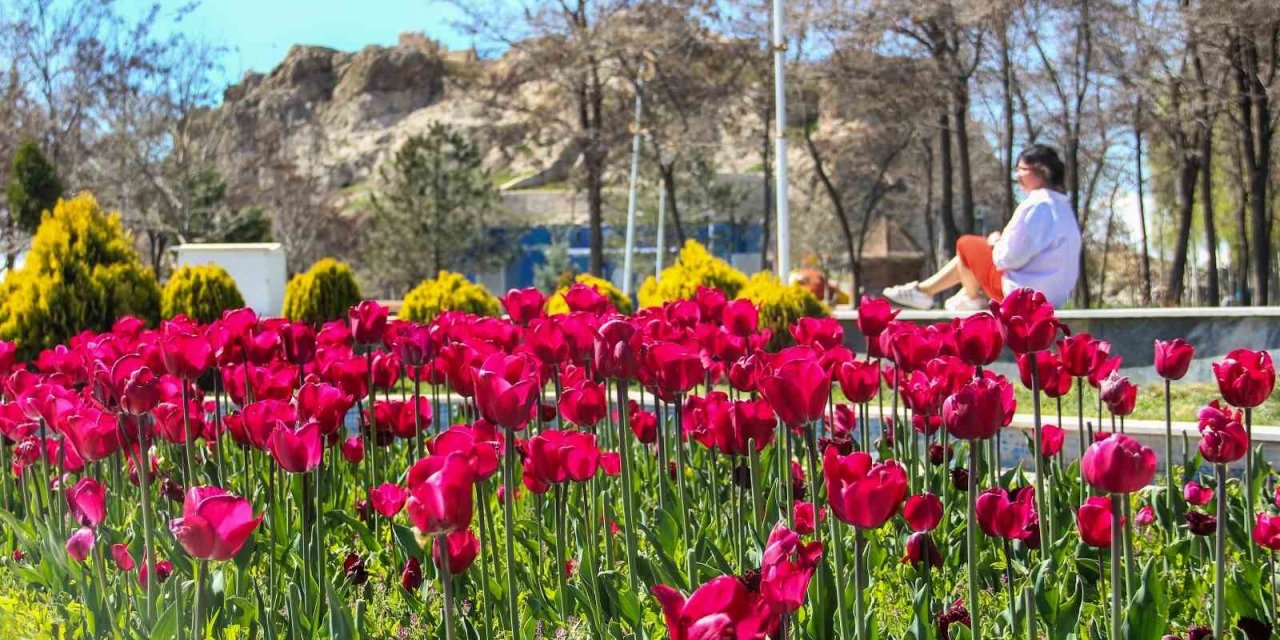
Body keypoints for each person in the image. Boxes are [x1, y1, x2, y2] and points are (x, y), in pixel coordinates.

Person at [882, 145, 1081, 310]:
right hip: (1052, 295)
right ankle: (925, 292)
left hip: (1023, 295)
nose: (1017, 176)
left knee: (966, 244)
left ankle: (969, 298)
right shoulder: (1063, 207)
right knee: (967, 257)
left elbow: (1007, 259)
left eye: (1021, 170)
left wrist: (996, 243)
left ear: (1041, 171)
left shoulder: (1037, 204)